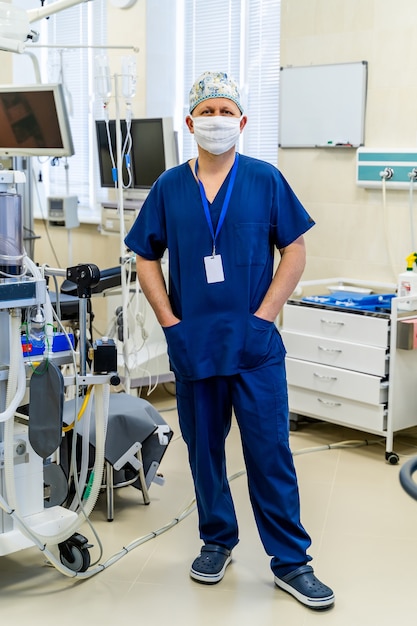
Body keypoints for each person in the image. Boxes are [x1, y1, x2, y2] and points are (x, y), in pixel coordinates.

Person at [124, 71, 334, 610]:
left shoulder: (265, 180)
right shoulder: (171, 186)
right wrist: (170, 321)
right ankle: (217, 540)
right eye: (206, 111)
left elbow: (296, 250)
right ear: (190, 121)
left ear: (242, 122)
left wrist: (265, 316)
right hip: (195, 343)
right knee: (205, 454)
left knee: (270, 452)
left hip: (255, 345)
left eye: (225, 111)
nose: (216, 120)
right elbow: (145, 255)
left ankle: (291, 562)